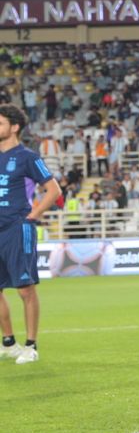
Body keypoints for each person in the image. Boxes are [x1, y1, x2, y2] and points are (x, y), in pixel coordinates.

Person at [0, 104, 62, 365]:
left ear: (14, 127)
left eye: (0, 122)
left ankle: (31, 345)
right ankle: (9, 343)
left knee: (25, 290)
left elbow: (53, 190)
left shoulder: (27, 156)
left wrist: (33, 215)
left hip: (17, 228)